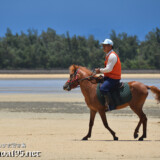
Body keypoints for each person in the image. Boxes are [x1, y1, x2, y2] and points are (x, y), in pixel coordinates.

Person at [95, 39, 121, 111]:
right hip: (109, 77)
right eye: (103, 45)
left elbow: (109, 69)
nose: (103, 47)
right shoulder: (108, 55)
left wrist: (100, 70)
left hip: (113, 78)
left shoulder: (112, 56)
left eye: (105, 45)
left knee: (103, 88)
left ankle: (111, 105)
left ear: (110, 46)